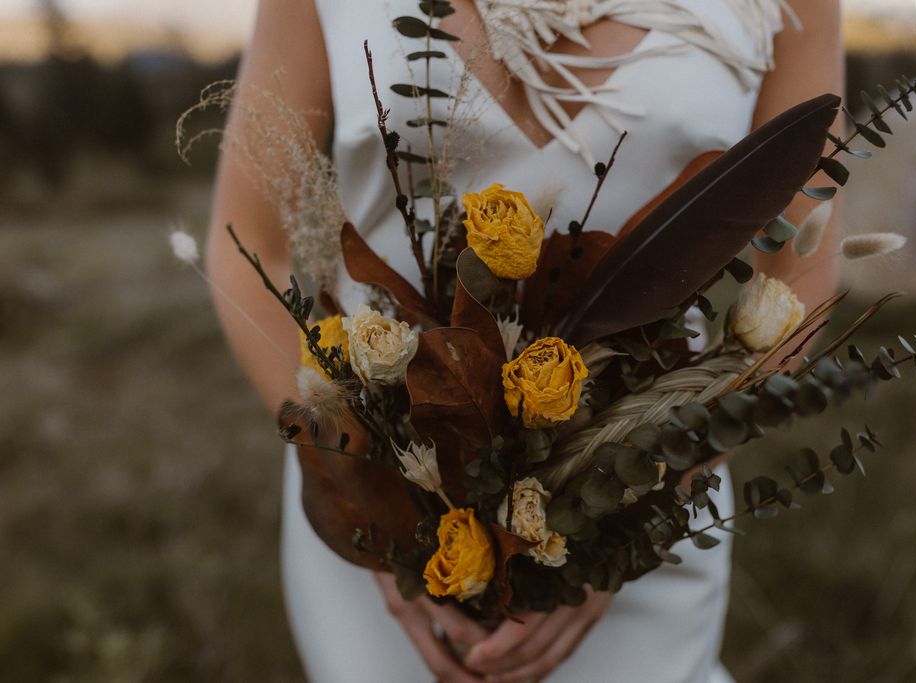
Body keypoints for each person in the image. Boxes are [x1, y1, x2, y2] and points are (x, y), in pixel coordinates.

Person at [205, 0, 842, 680]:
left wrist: (641, 513)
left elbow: (801, 264)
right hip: (384, 488)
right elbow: (248, 246)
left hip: (648, 479)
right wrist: (362, 490)